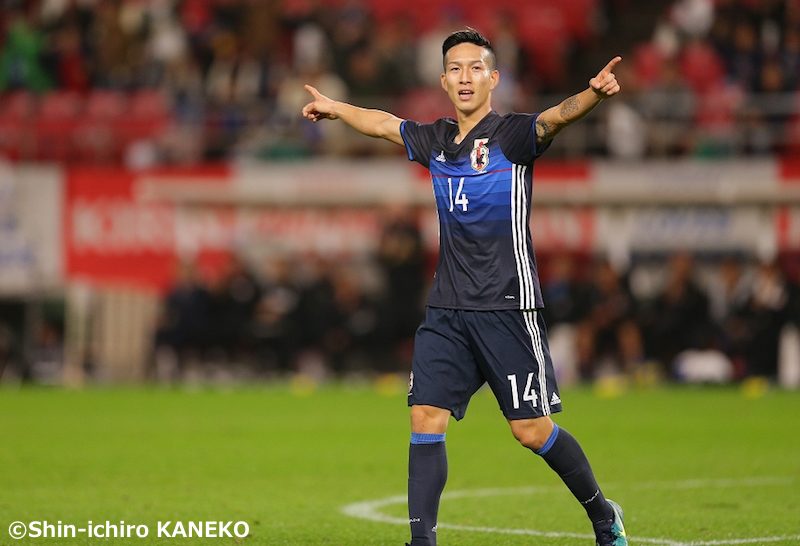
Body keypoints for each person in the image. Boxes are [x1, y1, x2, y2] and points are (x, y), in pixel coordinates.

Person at [302, 28, 627, 546]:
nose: (465, 76)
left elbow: (555, 118)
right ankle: (421, 542)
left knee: (531, 431)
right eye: (455, 68)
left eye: (476, 67)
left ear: (493, 78)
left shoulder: (512, 136)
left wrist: (592, 94)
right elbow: (384, 125)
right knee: (425, 416)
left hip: (507, 307)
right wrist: (336, 108)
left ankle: (603, 516)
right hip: (448, 310)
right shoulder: (434, 141)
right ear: (443, 82)